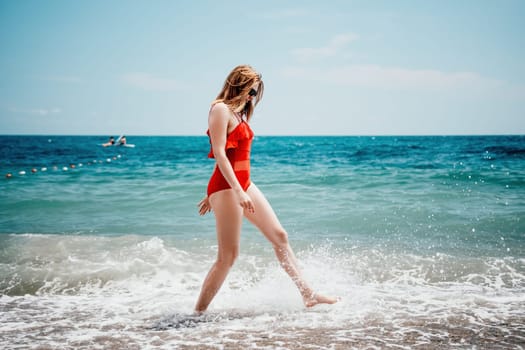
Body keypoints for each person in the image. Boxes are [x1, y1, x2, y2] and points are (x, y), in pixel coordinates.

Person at [195, 65, 338, 313]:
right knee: (228, 257)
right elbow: (219, 153)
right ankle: (198, 312)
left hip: (243, 184)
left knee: (280, 236)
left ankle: (308, 294)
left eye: (255, 93)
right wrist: (232, 192)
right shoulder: (220, 109)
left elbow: (233, 155)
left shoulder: (240, 113)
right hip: (231, 189)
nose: (252, 97)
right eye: (250, 91)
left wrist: (233, 190)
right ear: (238, 84)